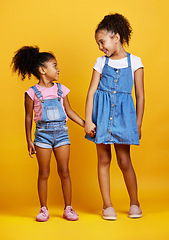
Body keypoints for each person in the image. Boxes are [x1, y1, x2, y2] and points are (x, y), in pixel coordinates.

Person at [11, 46, 85, 222]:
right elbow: (28, 117)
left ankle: (68, 208)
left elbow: (69, 110)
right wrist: (29, 140)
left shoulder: (61, 89)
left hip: (62, 135)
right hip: (42, 137)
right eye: (54, 65)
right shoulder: (31, 93)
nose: (58, 69)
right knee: (44, 173)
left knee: (64, 171)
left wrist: (85, 124)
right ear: (42, 70)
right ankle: (43, 209)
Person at [85, 13, 145, 220]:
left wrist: (137, 124)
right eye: (98, 43)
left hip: (124, 118)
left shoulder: (135, 62)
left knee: (124, 160)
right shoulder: (100, 62)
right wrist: (88, 120)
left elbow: (140, 95)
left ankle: (135, 203)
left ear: (116, 37)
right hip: (101, 117)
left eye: (102, 42)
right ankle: (107, 205)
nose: (100, 47)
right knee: (103, 159)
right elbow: (92, 91)